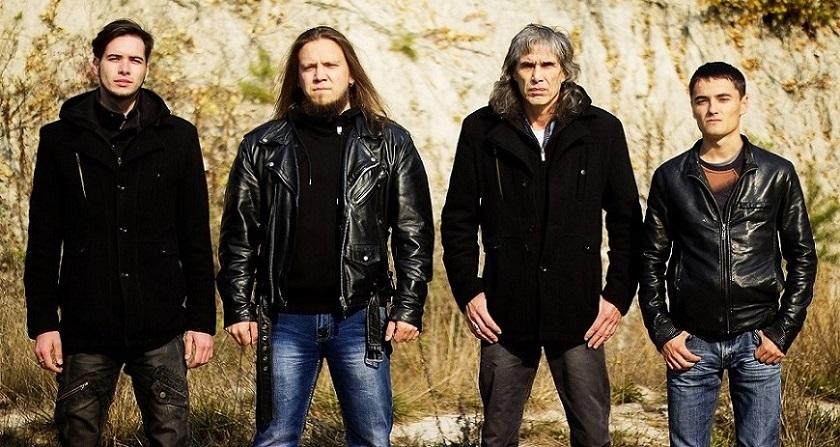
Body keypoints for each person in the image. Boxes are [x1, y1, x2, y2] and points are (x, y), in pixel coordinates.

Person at [216, 26, 434, 447]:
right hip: (284, 319)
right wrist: (238, 307)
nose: (319, 74)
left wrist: (408, 307)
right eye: (309, 67)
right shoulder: (262, 145)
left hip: (360, 317)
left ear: (351, 73)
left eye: (330, 65)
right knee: (275, 438)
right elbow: (239, 235)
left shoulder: (389, 142)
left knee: (371, 438)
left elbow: (414, 231)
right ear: (297, 77)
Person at [441, 24, 642, 447]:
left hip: (580, 311)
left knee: (593, 434)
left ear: (565, 71)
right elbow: (458, 219)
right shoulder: (481, 130)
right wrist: (469, 292)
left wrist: (617, 296)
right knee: (497, 436)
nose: (537, 76)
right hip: (503, 312)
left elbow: (627, 220)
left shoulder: (601, 130)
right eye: (526, 65)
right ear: (511, 71)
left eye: (547, 65)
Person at [24, 19, 216, 446]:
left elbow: (195, 237)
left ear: (146, 67)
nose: (125, 68)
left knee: (171, 437)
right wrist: (43, 323)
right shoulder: (60, 139)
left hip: (161, 323)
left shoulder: (178, 137)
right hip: (86, 324)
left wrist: (202, 321)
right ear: (96, 64)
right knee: (77, 435)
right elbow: (43, 240)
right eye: (114, 58)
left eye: (135, 60)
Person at [638, 61, 818, 447]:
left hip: (758, 339)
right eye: (702, 100)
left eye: (723, 98)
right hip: (690, 342)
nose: (712, 109)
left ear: (743, 103)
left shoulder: (776, 173)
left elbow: (803, 255)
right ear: (692, 106)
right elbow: (650, 259)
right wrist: (663, 330)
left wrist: (782, 331)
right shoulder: (671, 177)